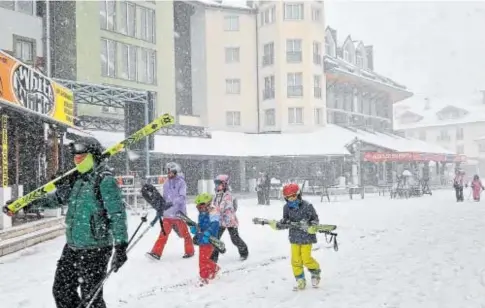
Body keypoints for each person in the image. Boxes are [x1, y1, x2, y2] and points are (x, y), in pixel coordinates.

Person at [7, 137, 129, 308]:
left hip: (96, 248)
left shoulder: (105, 180)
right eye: (75, 157)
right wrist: (29, 203)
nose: (77, 160)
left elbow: (117, 215)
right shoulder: (77, 180)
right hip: (73, 246)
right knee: (62, 291)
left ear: (93, 156)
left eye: (82, 156)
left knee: (91, 299)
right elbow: (56, 199)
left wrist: (121, 246)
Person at [267, 183, 321, 290]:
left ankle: (315, 272)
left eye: (294, 196)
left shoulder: (307, 206)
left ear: (299, 194)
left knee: (306, 259)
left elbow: (315, 220)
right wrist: (281, 223)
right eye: (289, 198)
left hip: (306, 237)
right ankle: (300, 279)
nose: (292, 199)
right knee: (295, 260)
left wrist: (312, 226)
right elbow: (286, 220)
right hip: (294, 237)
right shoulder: (286, 208)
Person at [147, 162, 195, 260]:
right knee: (163, 234)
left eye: (171, 172)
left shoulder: (181, 183)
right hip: (167, 214)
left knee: (185, 233)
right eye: (168, 172)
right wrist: (160, 207)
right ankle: (156, 252)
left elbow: (182, 197)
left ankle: (190, 251)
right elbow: (164, 198)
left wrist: (172, 203)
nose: (169, 174)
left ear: (176, 172)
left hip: (179, 214)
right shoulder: (166, 183)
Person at [210, 174, 249, 262]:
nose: (216, 186)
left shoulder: (228, 196)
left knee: (234, 239)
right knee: (215, 239)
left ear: (224, 184)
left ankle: (244, 252)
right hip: (220, 221)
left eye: (218, 184)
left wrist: (212, 211)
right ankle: (213, 257)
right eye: (215, 184)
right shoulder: (217, 194)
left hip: (230, 220)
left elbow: (221, 208)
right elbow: (214, 205)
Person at [190, 192, 221, 285]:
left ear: (208, 204)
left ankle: (204, 277)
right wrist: (195, 228)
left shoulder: (213, 212)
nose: (199, 209)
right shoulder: (202, 213)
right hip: (202, 238)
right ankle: (214, 268)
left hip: (210, 239)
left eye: (201, 206)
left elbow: (215, 225)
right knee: (205, 258)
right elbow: (201, 225)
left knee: (203, 260)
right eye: (198, 207)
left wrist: (208, 233)